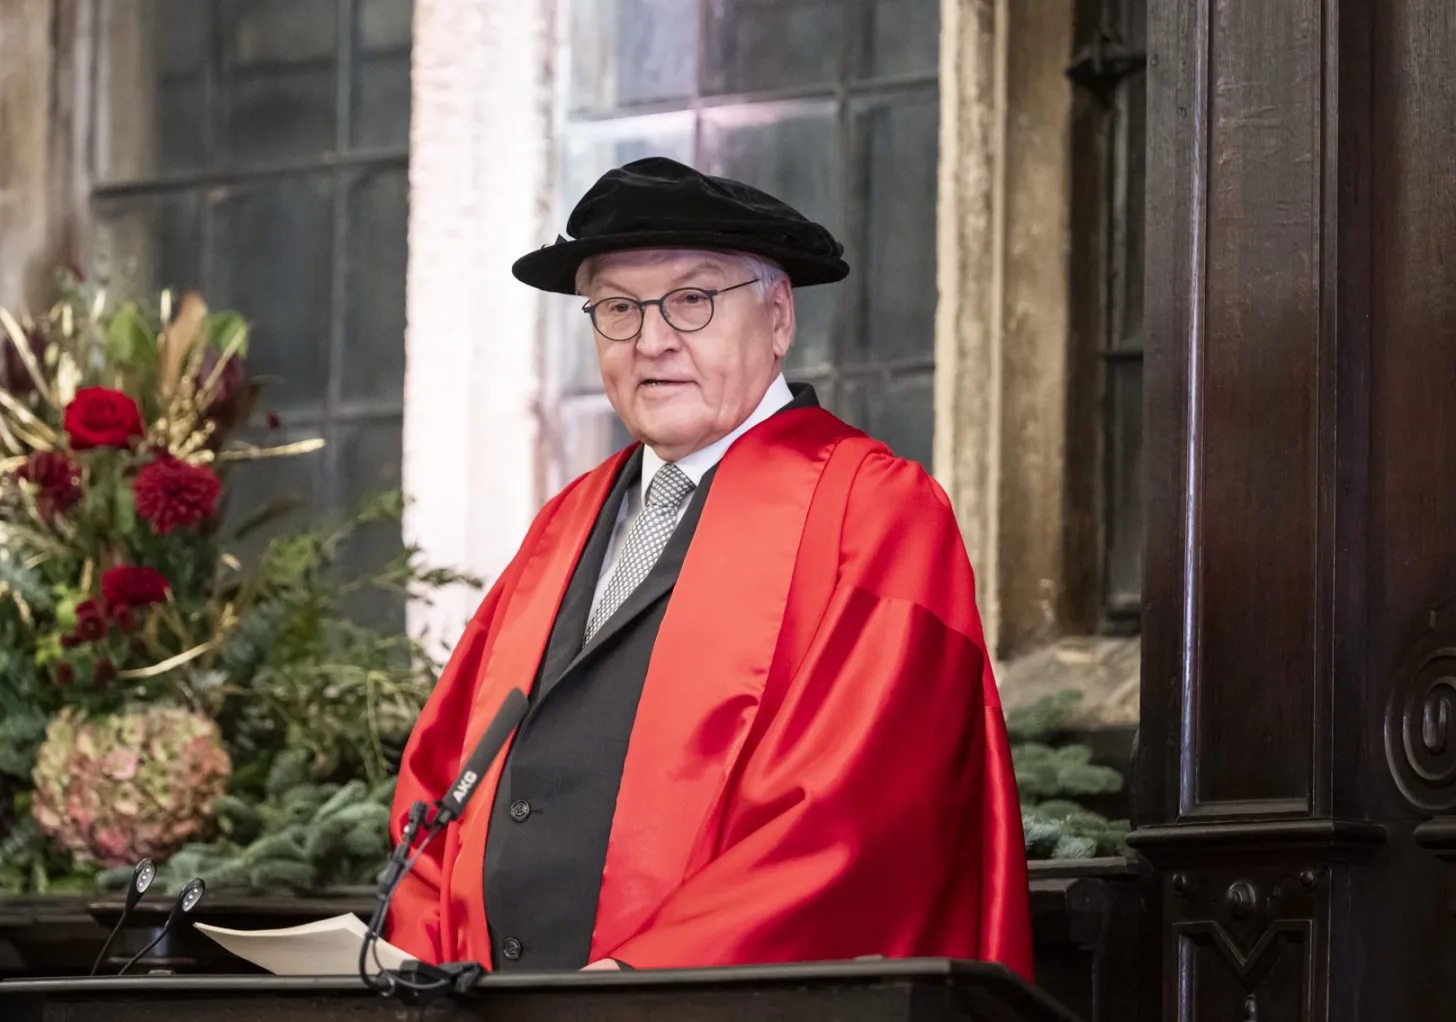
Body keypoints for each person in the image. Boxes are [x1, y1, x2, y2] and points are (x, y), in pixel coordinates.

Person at [385, 156, 1032, 977]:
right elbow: (442, 781)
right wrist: (421, 967)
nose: (652, 341)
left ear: (778, 316)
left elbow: (859, 814)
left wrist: (645, 981)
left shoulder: (872, 511)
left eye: (691, 300)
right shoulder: (564, 524)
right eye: (618, 309)